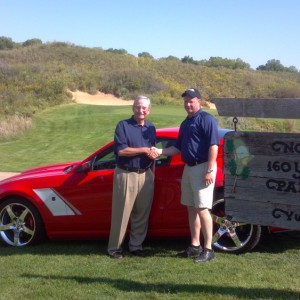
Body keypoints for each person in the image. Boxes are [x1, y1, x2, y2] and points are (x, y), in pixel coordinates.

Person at [153, 88, 219, 263]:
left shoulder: (207, 119)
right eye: (185, 101)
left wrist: (210, 169)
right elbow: (177, 148)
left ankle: (208, 249)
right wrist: (159, 151)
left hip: (203, 166)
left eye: (191, 101)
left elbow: (214, 146)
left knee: (203, 209)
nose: (188, 104)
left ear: (199, 101)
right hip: (189, 168)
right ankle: (195, 245)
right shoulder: (185, 123)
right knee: (191, 207)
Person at [107, 95, 157, 259]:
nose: (141, 110)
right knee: (121, 213)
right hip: (126, 173)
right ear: (133, 108)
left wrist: (152, 174)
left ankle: (136, 246)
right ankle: (114, 248)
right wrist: (144, 150)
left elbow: (153, 153)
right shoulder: (123, 125)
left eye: (144, 108)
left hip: (146, 174)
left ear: (148, 110)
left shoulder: (151, 128)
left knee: (141, 214)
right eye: (138, 107)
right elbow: (121, 150)